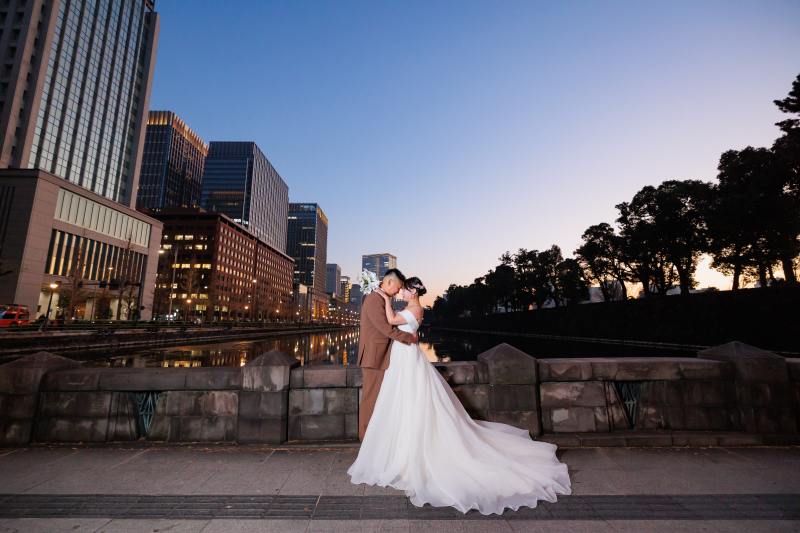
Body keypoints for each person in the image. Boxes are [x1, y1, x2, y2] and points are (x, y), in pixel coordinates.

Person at [348, 276, 571, 515]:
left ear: (413, 292)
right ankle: (402, 445)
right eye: (398, 288)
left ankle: (409, 448)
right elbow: (392, 324)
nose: (400, 292)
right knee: (404, 400)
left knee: (413, 399)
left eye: (403, 289)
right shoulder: (410, 306)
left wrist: (382, 297)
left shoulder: (415, 309)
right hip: (403, 358)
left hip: (407, 358)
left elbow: (390, 322)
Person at [357, 269, 418, 441]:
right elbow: (385, 328)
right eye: (398, 287)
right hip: (373, 357)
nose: (399, 291)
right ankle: (366, 441)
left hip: (379, 356)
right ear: (389, 282)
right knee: (371, 400)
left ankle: (374, 441)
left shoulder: (379, 298)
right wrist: (409, 338)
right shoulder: (375, 300)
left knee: (377, 400)